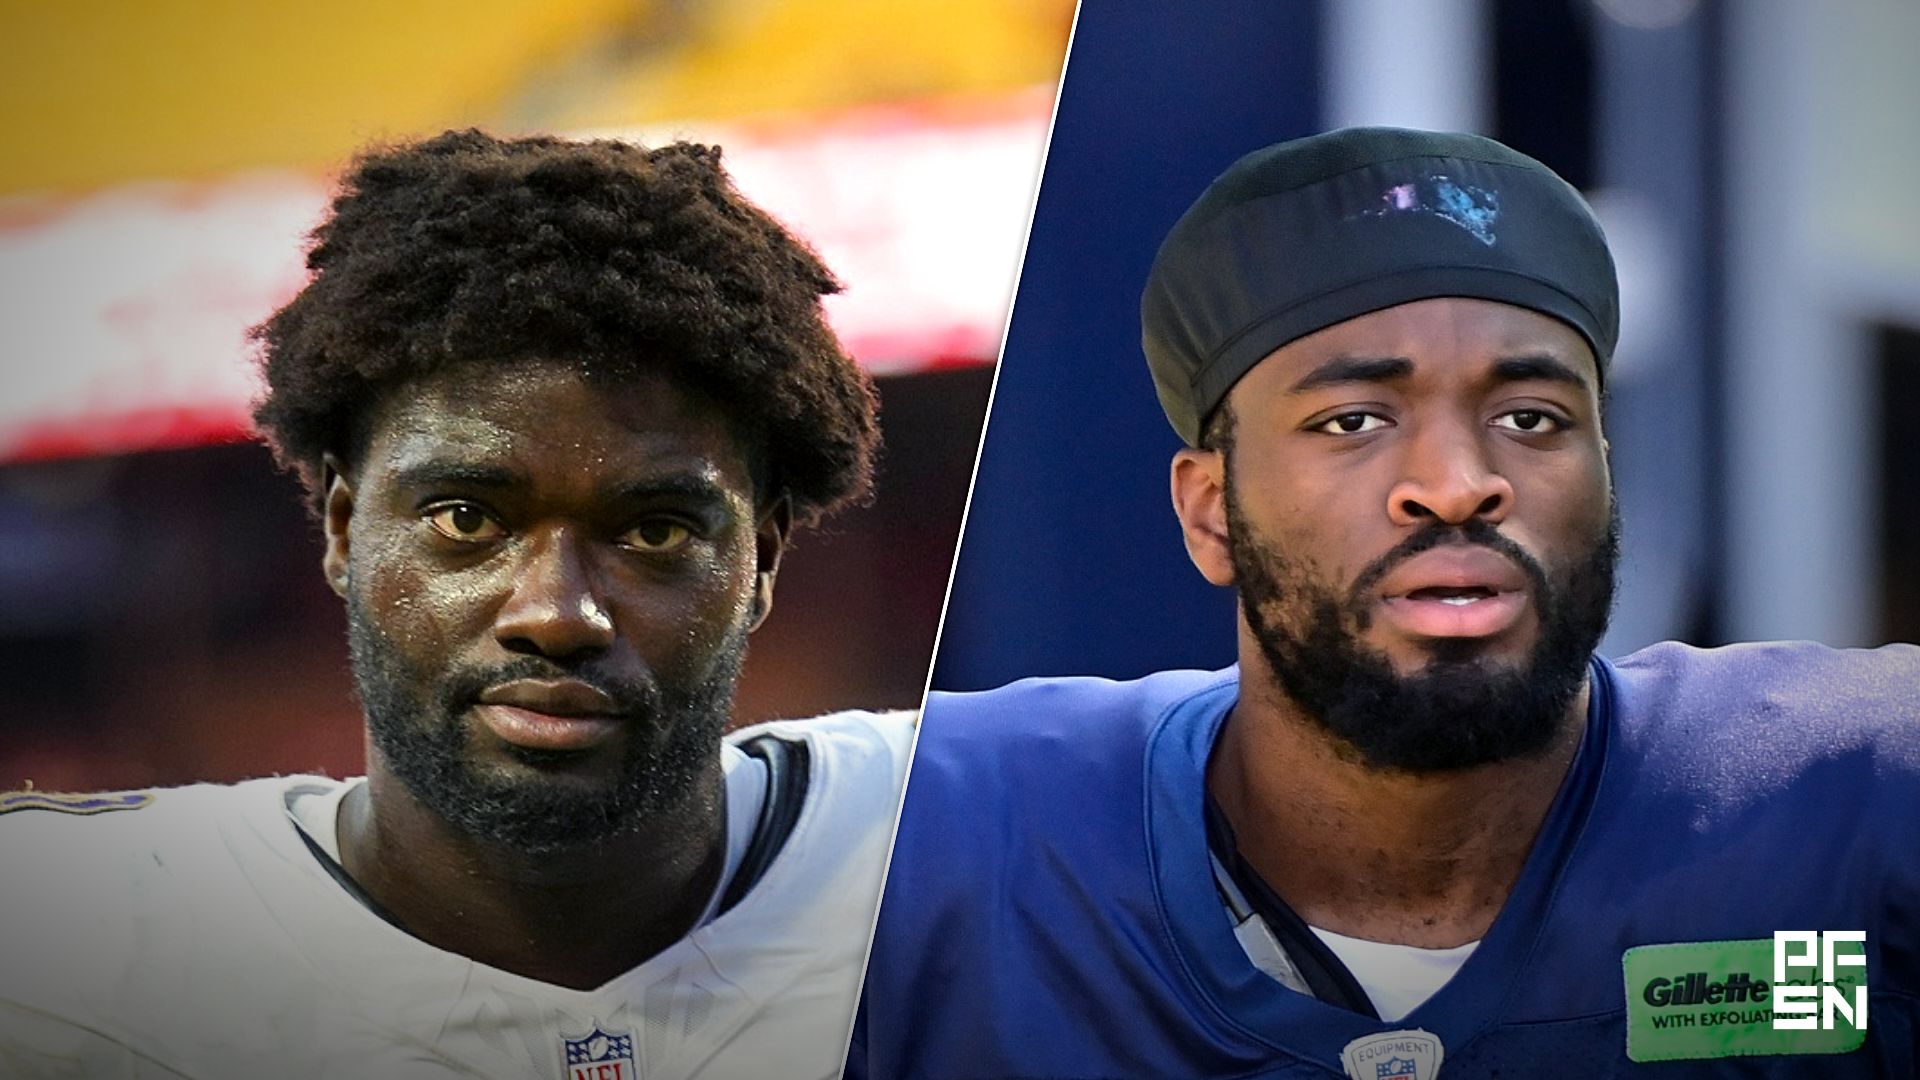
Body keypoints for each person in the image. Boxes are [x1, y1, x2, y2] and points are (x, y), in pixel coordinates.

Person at [852, 128, 1920, 1078]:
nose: (1457, 484)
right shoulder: (933, 838)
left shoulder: (1857, 802)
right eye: (1355, 421)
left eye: (1532, 418)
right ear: (1212, 513)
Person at [0, 129, 914, 1080]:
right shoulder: (59, 953)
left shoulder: (955, 831)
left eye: (654, 532)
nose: (558, 615)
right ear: (344, 530)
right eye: (466, 519)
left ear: (762, 559)